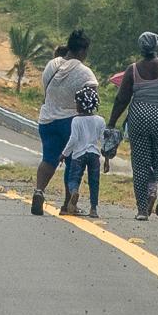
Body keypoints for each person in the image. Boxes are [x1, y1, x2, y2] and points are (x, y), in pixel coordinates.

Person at [108, 31, 158, 220]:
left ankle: (142, 210)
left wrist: (112, 122)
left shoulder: (133, 70)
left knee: (140, 164)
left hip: (139, 117)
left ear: (141, 48)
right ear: (157, 46)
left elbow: (121, 98)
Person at [31, 30, 97, 217]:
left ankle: (39, 191)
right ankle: (68, 204)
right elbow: (92, 100)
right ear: (82, 51)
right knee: (73, 162)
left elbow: (46, 91)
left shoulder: (51, 65)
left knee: (48, 159)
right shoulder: (85, 73)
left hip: (47, 120)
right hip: (71, 122)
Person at [59, 103, 107, 218]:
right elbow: (103, 140)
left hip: (78, 155)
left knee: (73, 178)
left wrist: (64, 154)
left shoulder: (76, 120)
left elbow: (73, 139)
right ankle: (93, 209)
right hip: (94, 154)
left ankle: (74, 191)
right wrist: (107, 159)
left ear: (80, 106)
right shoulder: (100, 120)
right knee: (94, 182)